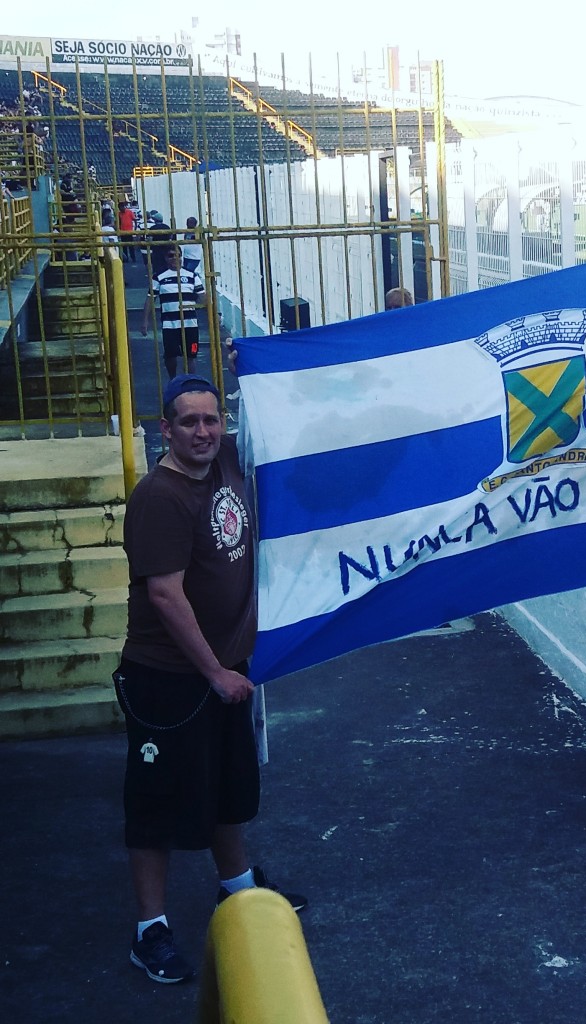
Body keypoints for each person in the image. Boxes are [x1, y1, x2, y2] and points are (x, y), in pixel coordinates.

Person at [114, 373, 306, 985]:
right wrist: (215, 671)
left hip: (227, 669)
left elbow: (280, 416)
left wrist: (248, 364)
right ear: (164, 429)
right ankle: (151, 931)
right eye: (189, 422)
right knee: (156, 805)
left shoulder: (225, 458)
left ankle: (238, 888)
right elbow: (166, 596)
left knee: (228, 786)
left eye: (211, 419)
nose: (203, 431)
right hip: (169, 680)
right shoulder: (160, 498)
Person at [143, 245, 207, 381]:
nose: (175, 258)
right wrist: (145, 321)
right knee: (170, 355)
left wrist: (214, 314)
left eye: (178, 255)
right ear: (166, 258)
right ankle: (173, 380)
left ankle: (191, 381)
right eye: (171, 255)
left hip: (190, 324)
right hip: (169, 325)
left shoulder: (192, 276)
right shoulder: (159, 277)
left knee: (191, 355)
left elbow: (203, 296)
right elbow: (150, 299)